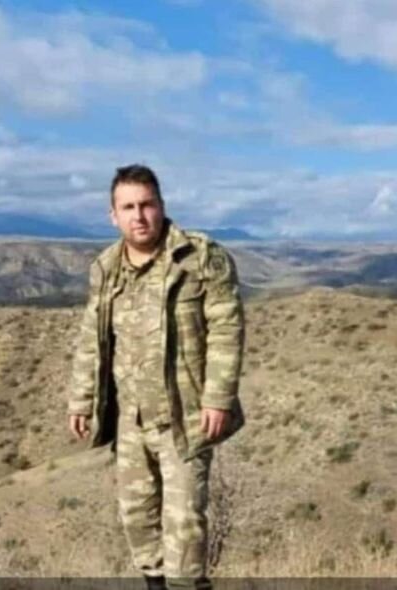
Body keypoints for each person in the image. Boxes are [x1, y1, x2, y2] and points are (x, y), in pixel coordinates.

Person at [67, 164, 245, 590]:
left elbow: (227, 327)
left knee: (184, 527)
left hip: (184, 416)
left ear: (162, 206)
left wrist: (218, 397)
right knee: (139, 520)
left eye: (146, 204)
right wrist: (81, 398)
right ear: (113, 215)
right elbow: (92, 336)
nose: (139, 215)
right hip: (130, 420)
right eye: (128, 207)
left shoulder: (199, 257)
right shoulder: (106, 267)